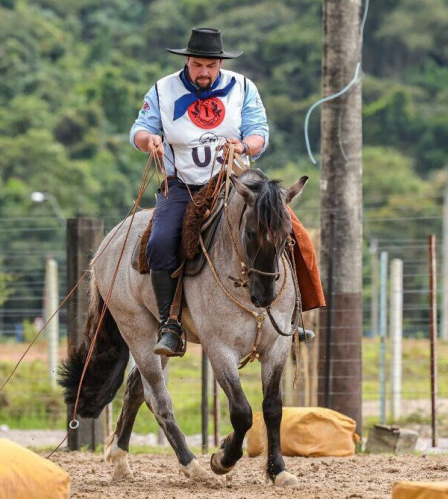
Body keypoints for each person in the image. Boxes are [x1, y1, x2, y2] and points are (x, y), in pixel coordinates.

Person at [130, 27, 324, 357]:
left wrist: (245, 144)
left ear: (219, 64)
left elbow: (259, 132)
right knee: (160, 242)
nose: (204, 72)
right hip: (185, 186)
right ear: (187, 61)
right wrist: (151, 141)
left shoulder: (244, 87)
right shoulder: (163, 90)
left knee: (290, 234)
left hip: (237, 181)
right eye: (197, 65)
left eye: (210, 65)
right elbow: (140, 129)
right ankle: (171, 323)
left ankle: (291, 314)